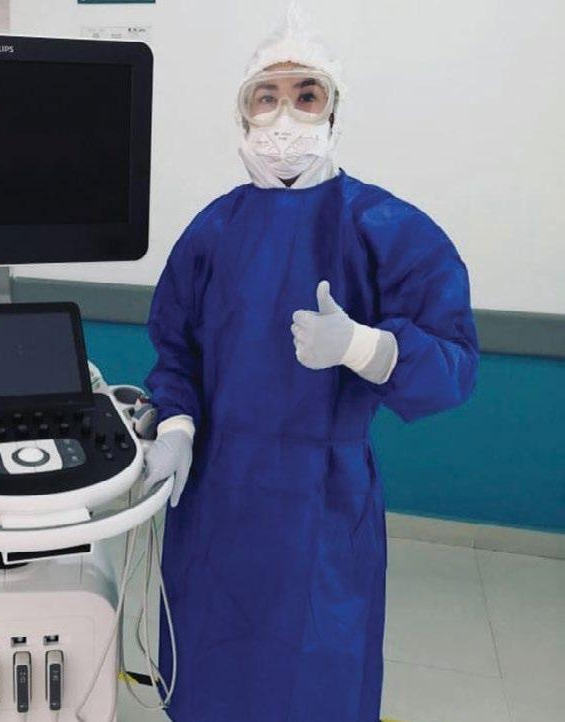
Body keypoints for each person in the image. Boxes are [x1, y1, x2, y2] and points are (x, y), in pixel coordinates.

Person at [143, 8, 478, 722]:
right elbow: (175, 352)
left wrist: (366, 347)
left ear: (333, 109)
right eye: (266, 96)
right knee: (211, 666)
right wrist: (175, 426)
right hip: (217, 498)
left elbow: (454, 365)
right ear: (242, 112)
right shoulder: (212, 231)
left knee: (314, 676)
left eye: (306, 94)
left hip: (322, 505)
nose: (284, 115)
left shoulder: (384, 228)